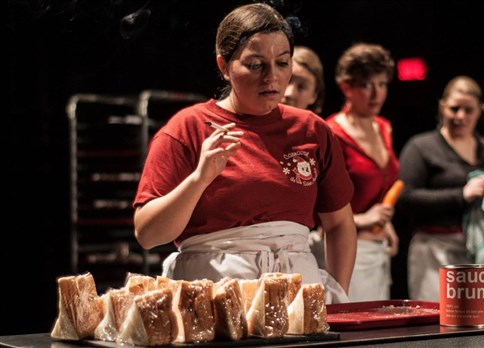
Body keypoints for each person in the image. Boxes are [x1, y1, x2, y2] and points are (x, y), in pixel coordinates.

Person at [132, 2, 357, 304]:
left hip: (298, 291)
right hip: (213, 296)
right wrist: (199, 179)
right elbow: (148, 234)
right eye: (255, 65)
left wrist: (338, 295)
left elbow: (340, 223)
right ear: (224, 66)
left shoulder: (312, 130)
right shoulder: (188, 128)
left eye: (282, 63)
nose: (271, 77)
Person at [396, 75, 484, 316]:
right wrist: (460, 195)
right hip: (437, 255)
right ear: (442, 106)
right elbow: (406, 198)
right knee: (437, 324)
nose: (460, 116)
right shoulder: (421, 147)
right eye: (454, 108)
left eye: (468, 110)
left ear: (480, 111)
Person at [325, 42, 400, 302]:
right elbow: (317, 209)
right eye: (367, 84)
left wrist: (384, 222)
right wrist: (363, 218)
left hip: (379, 249)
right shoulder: (332, 132)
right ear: (347, 86)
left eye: (382, 84)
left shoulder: (384, 127)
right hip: (346, 250)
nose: (376, 93)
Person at [280, 45, 328, 269]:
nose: (290, 93)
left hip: (309, 246)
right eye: (286, 81)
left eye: (301, 86)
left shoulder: (322, 137)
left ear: (314, 95)